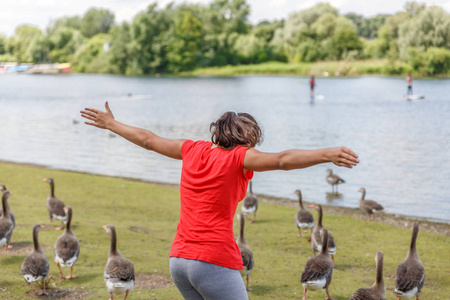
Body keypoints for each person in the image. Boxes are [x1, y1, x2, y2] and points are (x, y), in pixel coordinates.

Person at [80, 103, 359, 300]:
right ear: (245, 139)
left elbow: (149, 140)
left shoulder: (191, 149)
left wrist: (111, 123)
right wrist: (328, 153)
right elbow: (282, 160)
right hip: (212, 262)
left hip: (179, 261)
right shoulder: (239, 157)